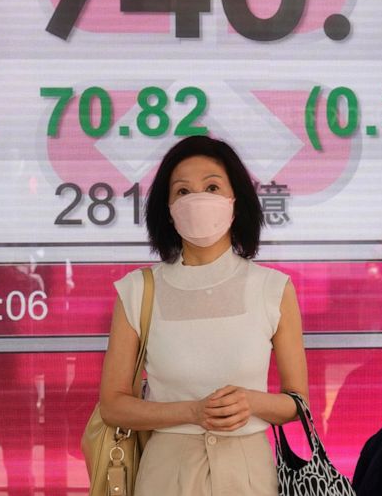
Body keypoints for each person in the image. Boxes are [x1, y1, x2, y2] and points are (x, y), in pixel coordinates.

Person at [98, 135, 308, 495]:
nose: (197, 200)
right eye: (182, 191)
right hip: (165, 475)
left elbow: (297, 402)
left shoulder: (273, 288)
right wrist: (192, 412)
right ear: (167, 209)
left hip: (250, 476)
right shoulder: (137, 290)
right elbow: (113, 406)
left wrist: (252, 402)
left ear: (235, 201)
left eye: (212, 187)